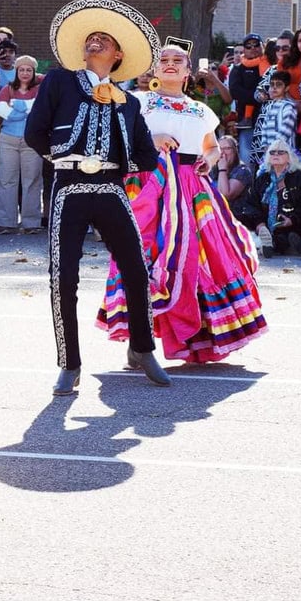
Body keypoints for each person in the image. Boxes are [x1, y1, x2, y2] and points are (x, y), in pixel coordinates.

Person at [24, 0, 171, 395]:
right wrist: (65, 157)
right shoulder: (59, 81)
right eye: (91, 37)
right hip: (68, 187)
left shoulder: (129, 102)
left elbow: (144, 154)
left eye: (104, 39)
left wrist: (116, 163)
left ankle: (142, 348)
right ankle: (69, 363)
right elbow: (34, 133)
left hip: (109, 188)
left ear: (118, 54)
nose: (94, 42)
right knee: (63, 277)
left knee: (137, 270)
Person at [97, 43, 266, 364]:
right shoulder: (138, 102)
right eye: (164, 60)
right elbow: (117, 140)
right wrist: (153, 138)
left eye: (178, 60)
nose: (170, 64)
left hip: (192, 188)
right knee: (144, 256)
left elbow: (213, 146)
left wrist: (210, 159)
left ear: (189, 71)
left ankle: (196, 337)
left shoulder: (201, 109)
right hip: (150, 186)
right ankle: (139, 339)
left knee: (203, 259)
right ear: (155, 69)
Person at [239, 138, 301, 258]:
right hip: (264, 224)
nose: (276, 154)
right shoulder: (262, 178)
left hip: (292, 224)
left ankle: (271, 245)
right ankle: (263, 241)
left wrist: (292, 219)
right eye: (272, 152)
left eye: (281, 152)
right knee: (238, 217)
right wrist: (259, 224)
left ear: (289, 157)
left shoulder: (300, 177)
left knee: (289, 234)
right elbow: (251, 204)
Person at [0, 54, 42, 232]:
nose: (25, 73)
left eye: (29, 70)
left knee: (33, 180)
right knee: (6, 179)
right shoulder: (7, 88)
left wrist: (15, 106)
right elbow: (1, 110)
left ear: (34, 72)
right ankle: (5, 222)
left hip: (32, 140)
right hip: (8, 140)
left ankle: (31, 223)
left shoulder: (40, 89)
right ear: (16, 71)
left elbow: (40, 108)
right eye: (21, 69)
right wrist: (27, 108)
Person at [228, 33, 269, 172]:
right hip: (247, 123)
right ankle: (247, 190)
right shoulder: (238, 68)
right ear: (244, 49)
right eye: (248, 46)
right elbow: (235, 91)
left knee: (268, 159)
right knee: (247, 159)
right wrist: (257, 96)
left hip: (268, 120)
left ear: (262, 46)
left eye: (256, 44)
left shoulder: (270, 66)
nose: (253, 48)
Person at [251, 70, 298, 168]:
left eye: (279, 85)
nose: (274, 87)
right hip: (269, 154)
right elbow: (264, 131)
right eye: (272, 84)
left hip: (284, 154)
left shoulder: (288, 106)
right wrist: (266, 148)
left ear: (287, 88)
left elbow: (285, 132)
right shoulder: (270, 106)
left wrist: (274, 150)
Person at [212, 134, 254, 225]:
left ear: (235, 151)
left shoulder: (243, 171)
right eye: (220, 149)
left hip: (237, 220)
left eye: (227, 148)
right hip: (216, 219)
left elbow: (226, 195)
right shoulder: (213, 171)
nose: (223, 153)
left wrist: (222, 169)